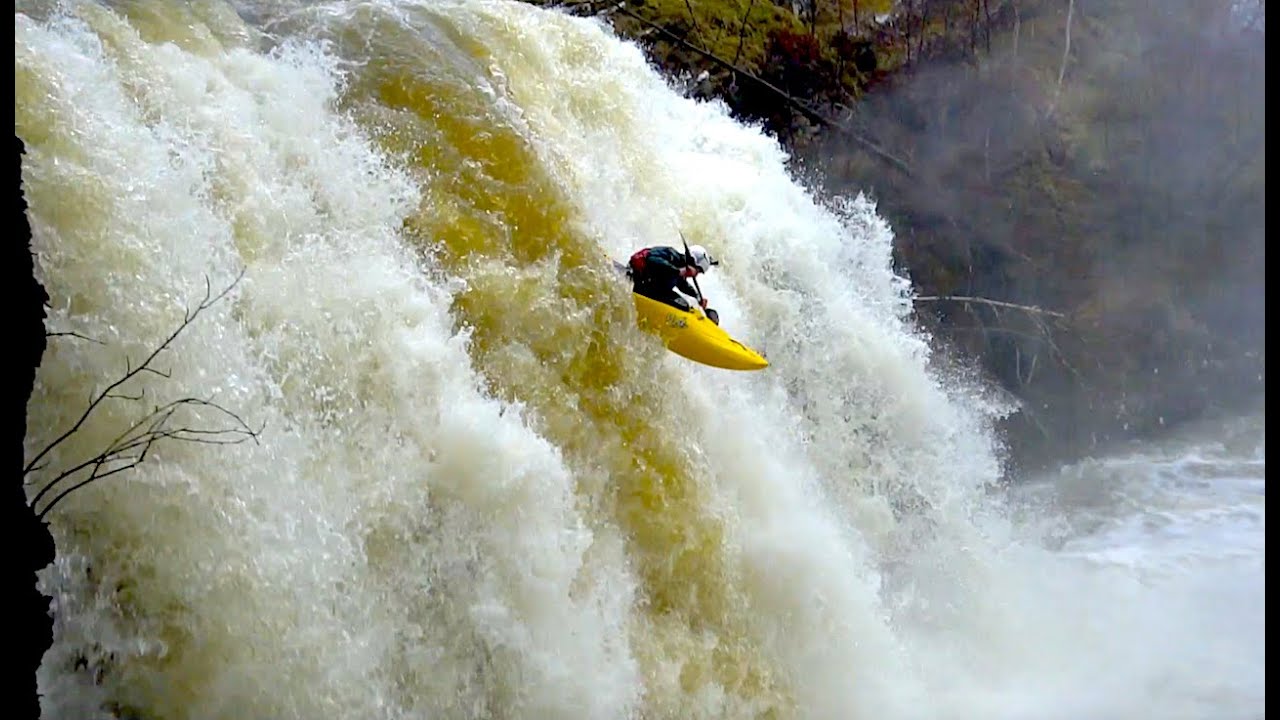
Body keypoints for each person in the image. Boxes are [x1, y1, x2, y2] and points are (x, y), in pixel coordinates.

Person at [626, 243, 718, 315]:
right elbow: (652, 260)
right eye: (697, 271)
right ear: (692, 261)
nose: (695, 275)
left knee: (683, 305)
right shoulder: (671, 255)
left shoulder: (680, 271)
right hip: (638, 281)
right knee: (682, 305)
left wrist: (698, 297)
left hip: (649, 288)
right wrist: (678, 271)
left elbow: (682, 285)